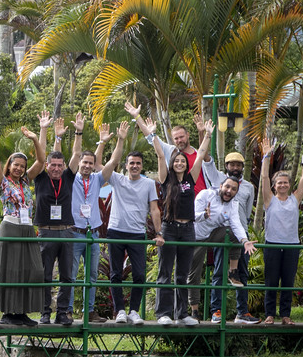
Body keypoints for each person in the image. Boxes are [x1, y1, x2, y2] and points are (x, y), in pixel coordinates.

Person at [153, 121, 212, 324]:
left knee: (183, 274)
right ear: (172, 164)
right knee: (165, 273)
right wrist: (153, 133)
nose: (179, 163)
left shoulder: (190, 178)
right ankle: (163, 314)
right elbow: (161, 154)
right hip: (170, 228)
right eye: (176, 161)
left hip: (188, 228)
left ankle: (182, 314)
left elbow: (202, 153)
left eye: (182, 162)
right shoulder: (166, 179)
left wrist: (207, 134)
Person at [32, 112, 85, 326]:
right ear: (47, 165)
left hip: (66, 231)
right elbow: (40, 155)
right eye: (52, 165)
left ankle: (62, 313)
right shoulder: (40, 177)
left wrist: (79, 132)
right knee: (45, 276)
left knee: (67, 276)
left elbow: (77, 154)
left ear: (63, 167)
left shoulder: (68, 177)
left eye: (59, 165)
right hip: (45, 231)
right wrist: (44, 130)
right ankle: (45, 312)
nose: (55, 168)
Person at [71, 122, 125, 322]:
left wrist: (119, 139)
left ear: (94, 165)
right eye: (83, 162)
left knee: (91, 276)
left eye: (90, 163)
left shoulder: (96, 179)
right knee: (71, 275)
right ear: (79, 163)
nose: (86, 165)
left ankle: (89, 311)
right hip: (74, 232)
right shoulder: (70, 178)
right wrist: (79, 132)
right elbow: (75, 153)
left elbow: (114, 161)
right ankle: (66, 310)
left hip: (92, 234)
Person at [0, 124, 45, 326]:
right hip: (10, 227)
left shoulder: (25, 182)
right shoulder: (3, 182)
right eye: (16, 165)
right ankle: (8, 313)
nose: (19, 168)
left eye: (22, 166)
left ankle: (22, 312)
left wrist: (34, 139)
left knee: (32, 270)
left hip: (27, 228)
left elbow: (41, 161)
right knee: (11, 270)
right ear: (10, 165)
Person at [261, 137, 303, 324]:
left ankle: (285, 315)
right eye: (279, 183)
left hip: (292, 245)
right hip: (273, 244)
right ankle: (269, 314)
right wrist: (266, 156)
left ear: (289, 185)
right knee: (271, 281)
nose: (283, 185)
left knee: (288, 282)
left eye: (285, 183)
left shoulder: (295, 199)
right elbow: (264, 177)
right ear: (275, 186)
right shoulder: (269, 199)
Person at [106, 151, 163, 324]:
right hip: (115, 230)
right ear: (126, 165)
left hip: (137, 233)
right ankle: (120, 311)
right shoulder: (117, 179)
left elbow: (154, 209)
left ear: (142, 166)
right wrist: (115, 141)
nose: (135, 166)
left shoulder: (148, 184)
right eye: (131, 163)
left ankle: (134, 311)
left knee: (139, 274)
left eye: (138, 163)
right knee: (115, 273)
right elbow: (101, 166)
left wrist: (159, 233)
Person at [203, 147, 258, 323]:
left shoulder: (249, 187)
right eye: (232, 164)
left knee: (241, 274)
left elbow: (247, 212)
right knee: (219, 272)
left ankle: (242, 312)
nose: (235, 167)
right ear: (226, 165)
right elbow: (207, 163)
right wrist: (204, 134)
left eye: (238, 164)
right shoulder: (220, 180)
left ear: (242, 167)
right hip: (223, 234)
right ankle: (216, 311)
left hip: (241, 236)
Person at [194, 177, 257, 314]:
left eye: (234, 189)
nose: (229, 191)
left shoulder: (233, 204)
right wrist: (204, 215)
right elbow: (193, 215)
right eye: (227, 187)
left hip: (212, 234)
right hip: (196, 237)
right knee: (193, 275)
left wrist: (245, 240)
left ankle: (232, 272)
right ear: (221, 186)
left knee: (233, 234)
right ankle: (193, 311)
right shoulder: (206, 194)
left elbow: (236, 224)